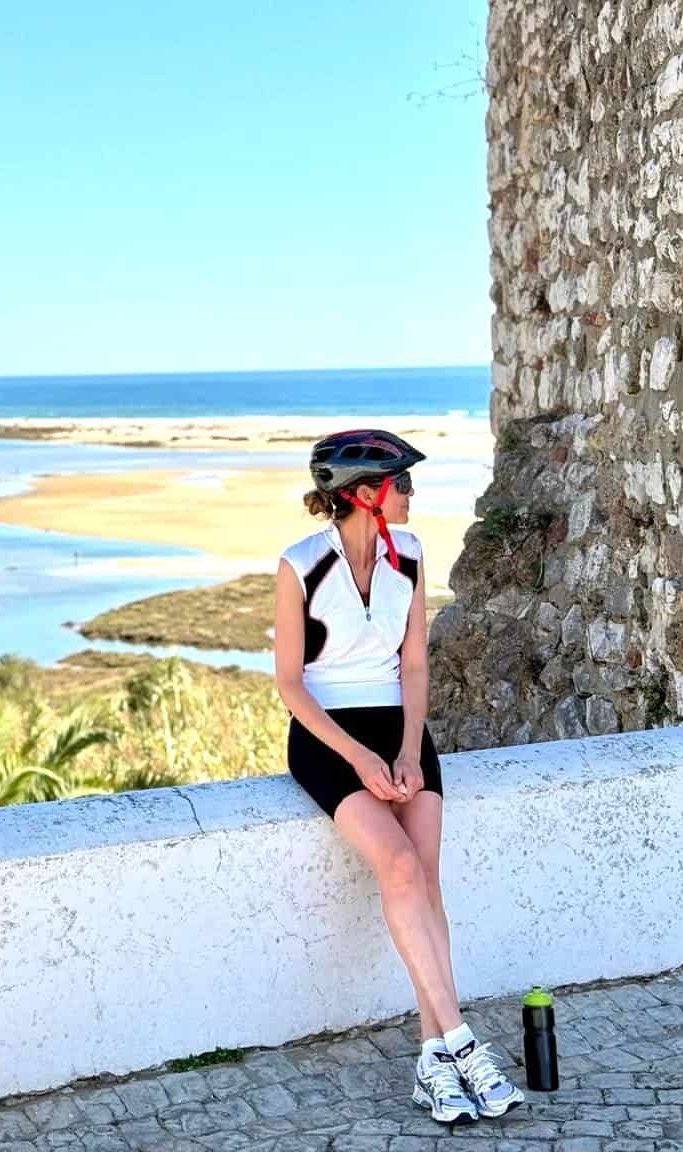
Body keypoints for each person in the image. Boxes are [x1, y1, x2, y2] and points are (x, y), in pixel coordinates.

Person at [272, 428, 524, 1127]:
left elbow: (415, 667)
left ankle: (431, 1058)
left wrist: (411, 751)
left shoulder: (409, 554)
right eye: (402, 483)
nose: (412, 493)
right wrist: (359, 756)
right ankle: (463, 1044)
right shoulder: (299, 565)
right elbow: (290, 685)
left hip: (401, 731)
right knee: (399, 866)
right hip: (329, 738)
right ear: (362, 494)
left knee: (425, 878)